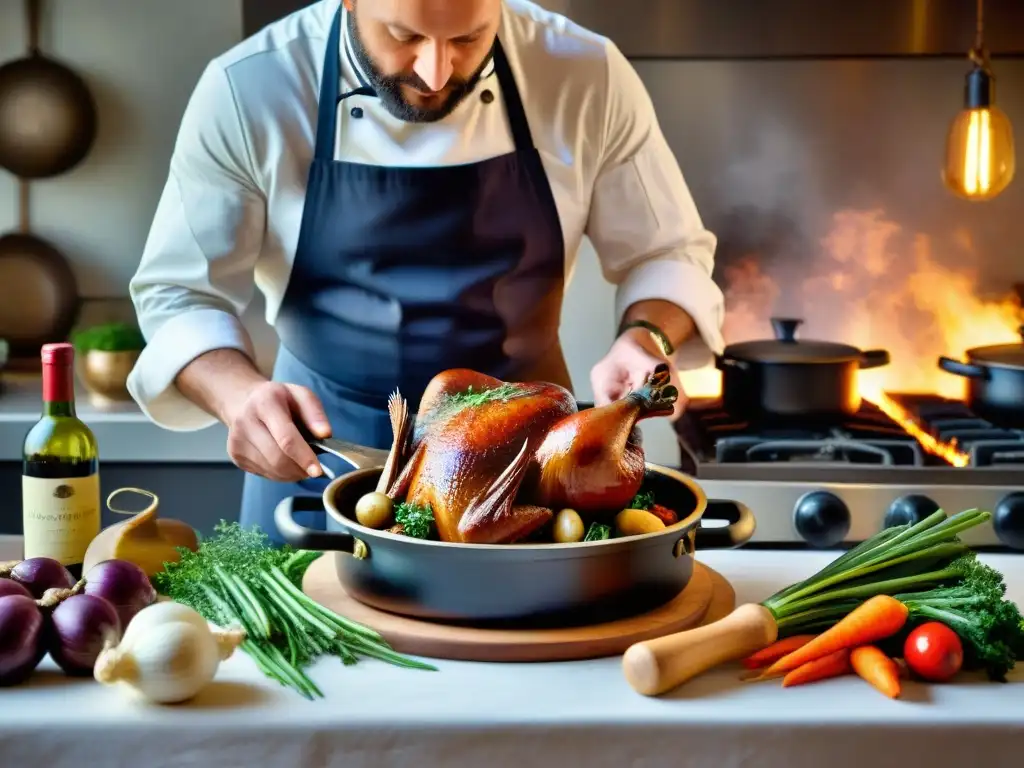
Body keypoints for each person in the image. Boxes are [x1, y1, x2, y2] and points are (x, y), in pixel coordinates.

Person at [126, 0, 725, 542]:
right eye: (403, 34)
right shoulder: (252, 86)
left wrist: (647, 337)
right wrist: (239, 396)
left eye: (468, 38)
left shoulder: (585, 73)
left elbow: (666, 252)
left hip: (532, 474)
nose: (435, 73)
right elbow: (179, 295)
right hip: (322, 462)